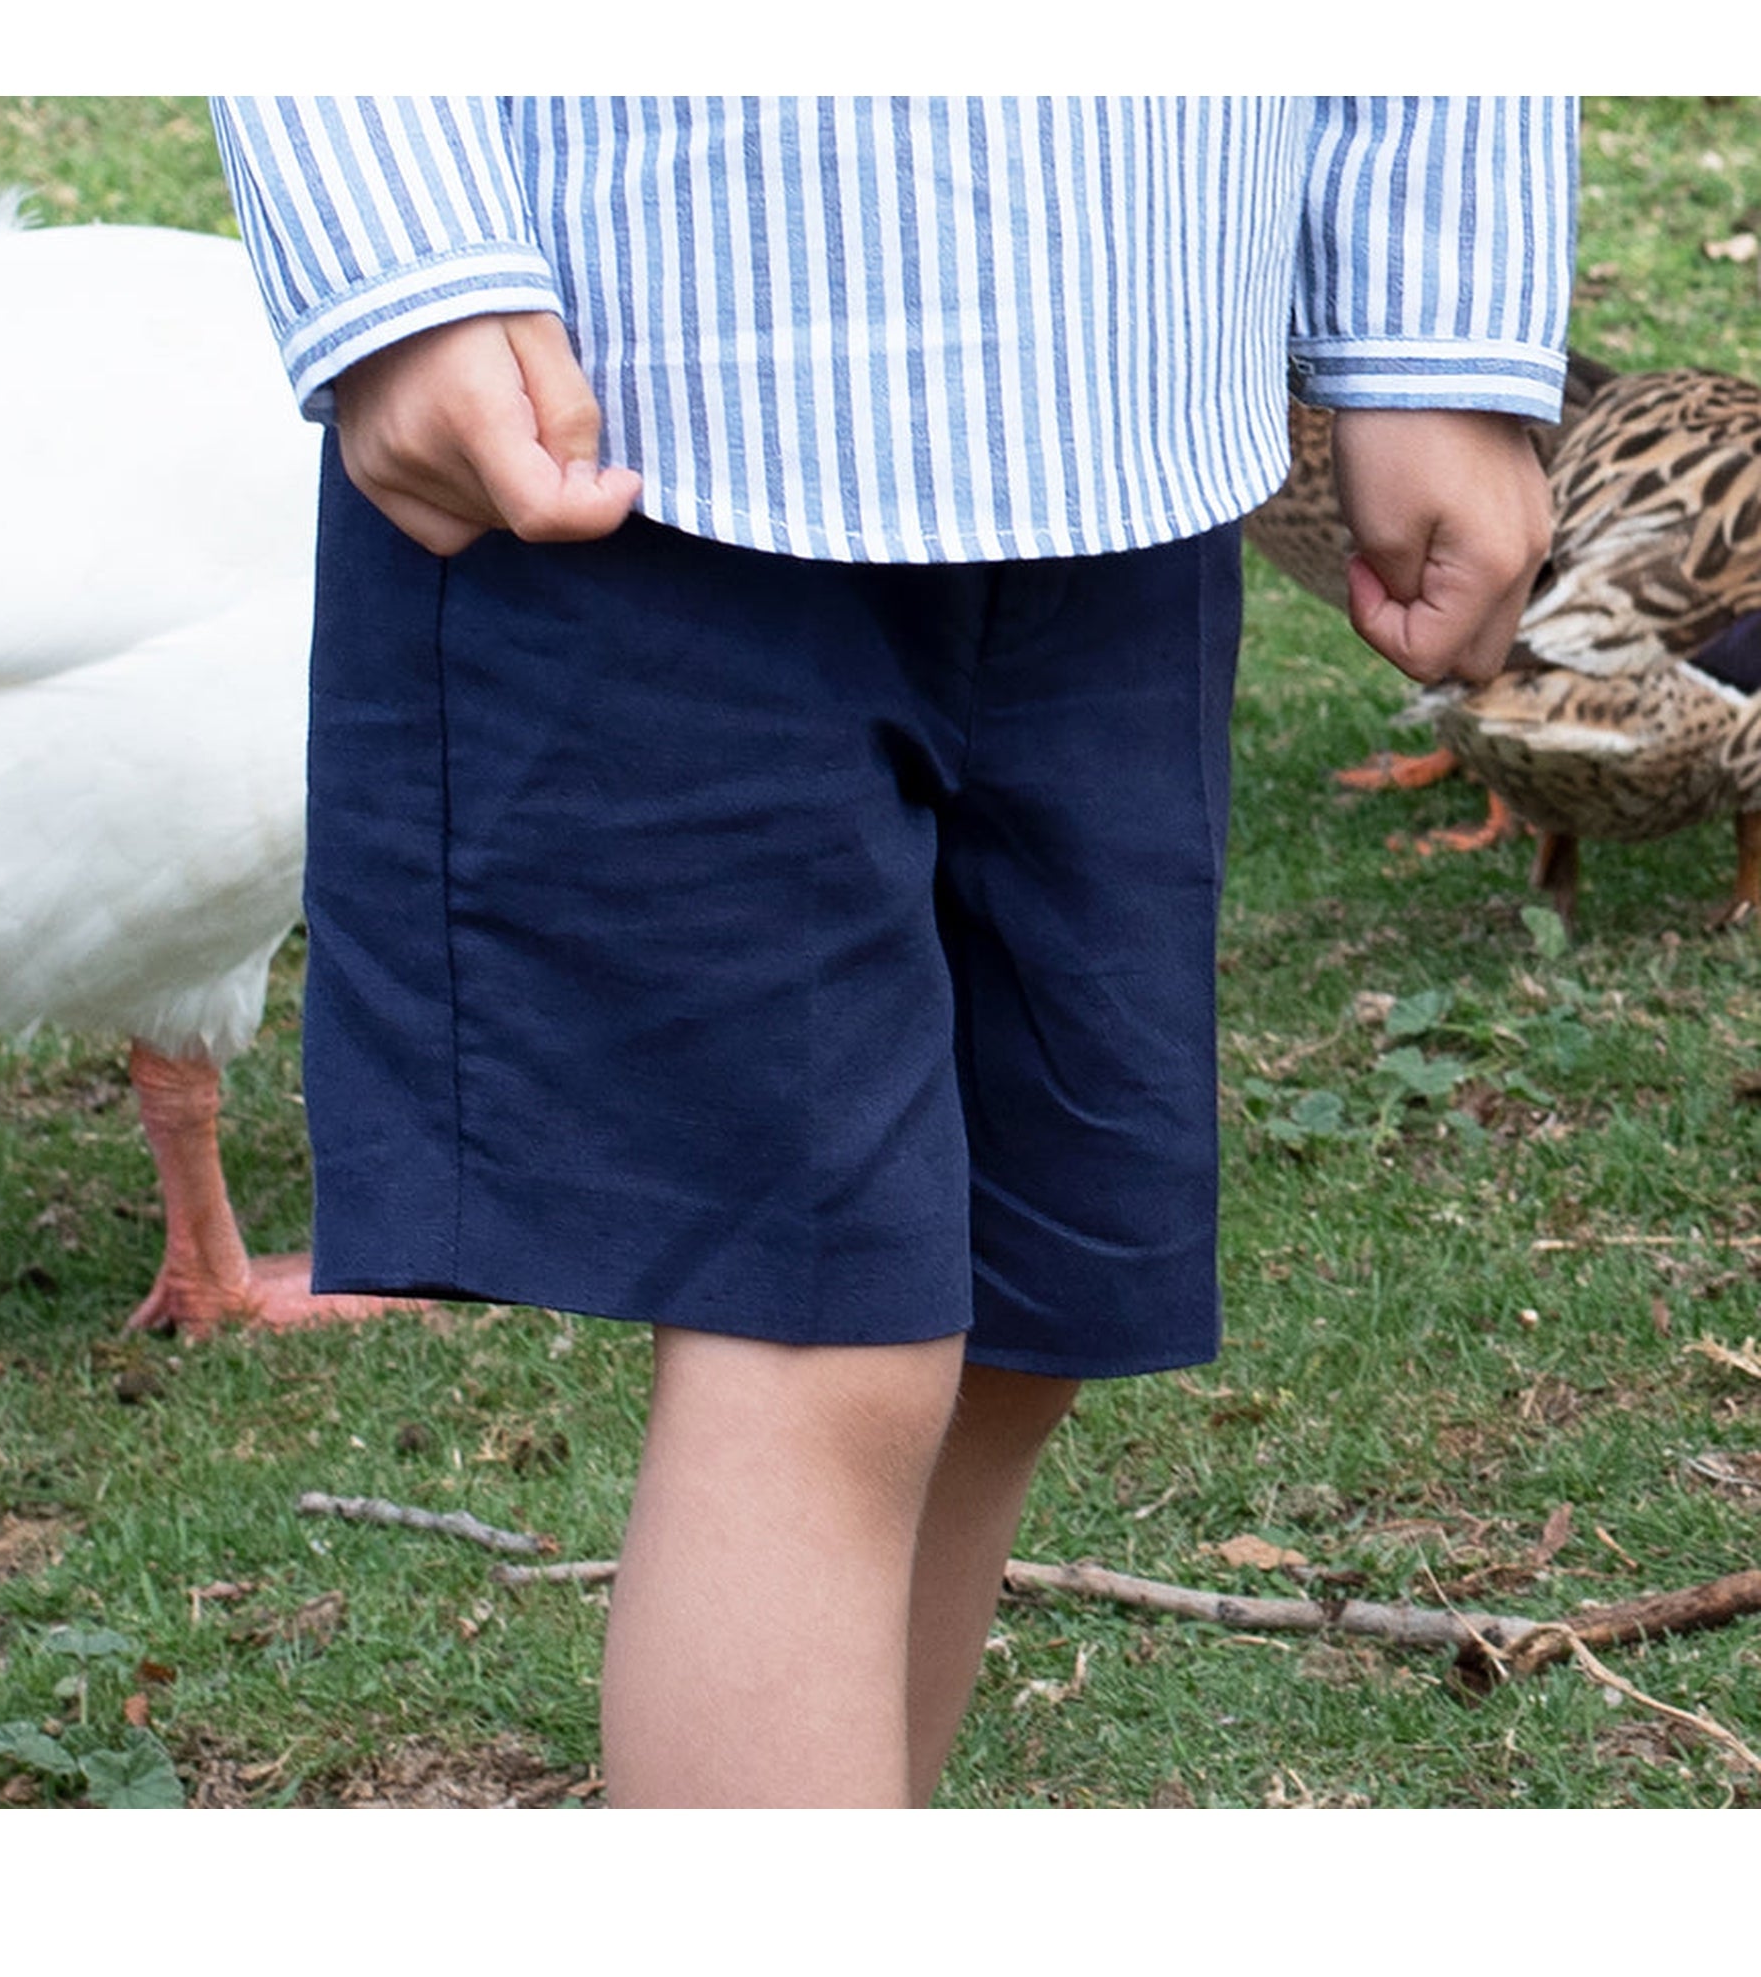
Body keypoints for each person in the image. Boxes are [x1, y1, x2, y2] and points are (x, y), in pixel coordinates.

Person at [212, 96, 1574, 1807]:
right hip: (646, 396)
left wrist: (1437, 317)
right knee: (821, 1331)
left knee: (1028, 1297)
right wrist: (393, 253)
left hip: (1134, 375)